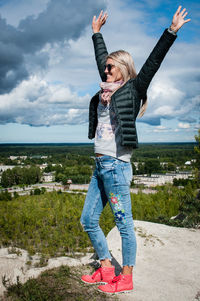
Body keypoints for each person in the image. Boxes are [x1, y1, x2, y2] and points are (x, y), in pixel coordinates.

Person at [80, 6, 190, 294]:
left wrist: (171, 32)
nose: (105, 70)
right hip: (99, 167)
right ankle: (106, 267)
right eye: (105, 66)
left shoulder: (133, 89)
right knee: (88, 220)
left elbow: (154, 61)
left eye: (111, 67)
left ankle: (125, 277)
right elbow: (100, 59)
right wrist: (96, 34)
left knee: (123, 223)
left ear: (124, 70)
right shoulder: (105, 90)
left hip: (116, 167)